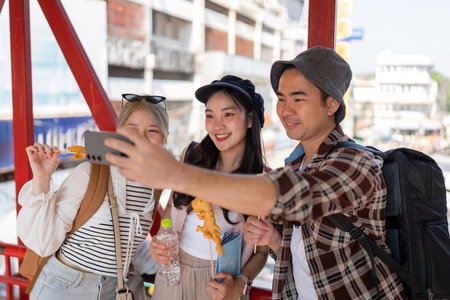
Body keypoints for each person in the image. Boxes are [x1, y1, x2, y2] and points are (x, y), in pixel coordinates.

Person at [105, 47, 406, 299]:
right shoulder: (297, 164)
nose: (286, 109)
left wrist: (175, 174)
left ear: (331, 103)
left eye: (298, 98)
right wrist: (274, 240)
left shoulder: (354, 162)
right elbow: (298, 250)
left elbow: (285, 195)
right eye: (282, 97)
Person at [17, 94, 169, 299]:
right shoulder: (92, 173)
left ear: (165, 137)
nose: (141, 137)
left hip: (114, 290)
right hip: (67, 286)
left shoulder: (153, 186)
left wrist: (169, 262)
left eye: (152, 130)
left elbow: (127, 238)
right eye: (132, 128)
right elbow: (44, 242)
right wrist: (42, 178)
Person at [150, 75, 268, 300]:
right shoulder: (192, 156)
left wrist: (240, 284)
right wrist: (160, 240)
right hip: (175, 271)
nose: (217, 125)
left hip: (222, 283)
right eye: (210, 115)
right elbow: (172, 209)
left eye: (229, 114)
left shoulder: (260, 178)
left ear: (250, 119)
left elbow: (261, 253)